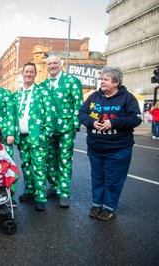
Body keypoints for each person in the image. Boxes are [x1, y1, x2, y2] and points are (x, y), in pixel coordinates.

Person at [78, 66, 142, 221]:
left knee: (113, 179)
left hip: (118, 149)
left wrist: (113, 122)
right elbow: (81, 114)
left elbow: (136, 119)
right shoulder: (94, 97)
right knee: (98, 177)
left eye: (106, 79)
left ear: (116, 82)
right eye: (101, 79)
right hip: (95, 147)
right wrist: (92, 122)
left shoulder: (127, 98)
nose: (102, 82)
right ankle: (97, 204)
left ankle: (109, 208)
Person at [39, 54, 83, 207]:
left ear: (61, 64)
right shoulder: (43, 85)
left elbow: (79, 103)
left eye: (55, 63)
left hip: (66, 127)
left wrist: (75, 124)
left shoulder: (72, 81)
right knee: (50, 159)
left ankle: (64, 192)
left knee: (64, 159)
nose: (52, 66)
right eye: (49, 63)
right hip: (49, 129)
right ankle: (54, 186)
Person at [13, 63, 52, 211]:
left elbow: (50, 113)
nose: (28, 74)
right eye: (26, 71)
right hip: (22, 137)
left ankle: (40, 196)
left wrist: (45, 133)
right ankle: (29, 190)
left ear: (35, 74)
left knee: (39, 166)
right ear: (22, 74)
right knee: (26, 165)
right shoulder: (16, 94)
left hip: (38, 137)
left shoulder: (43, 92)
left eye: (31, 72)